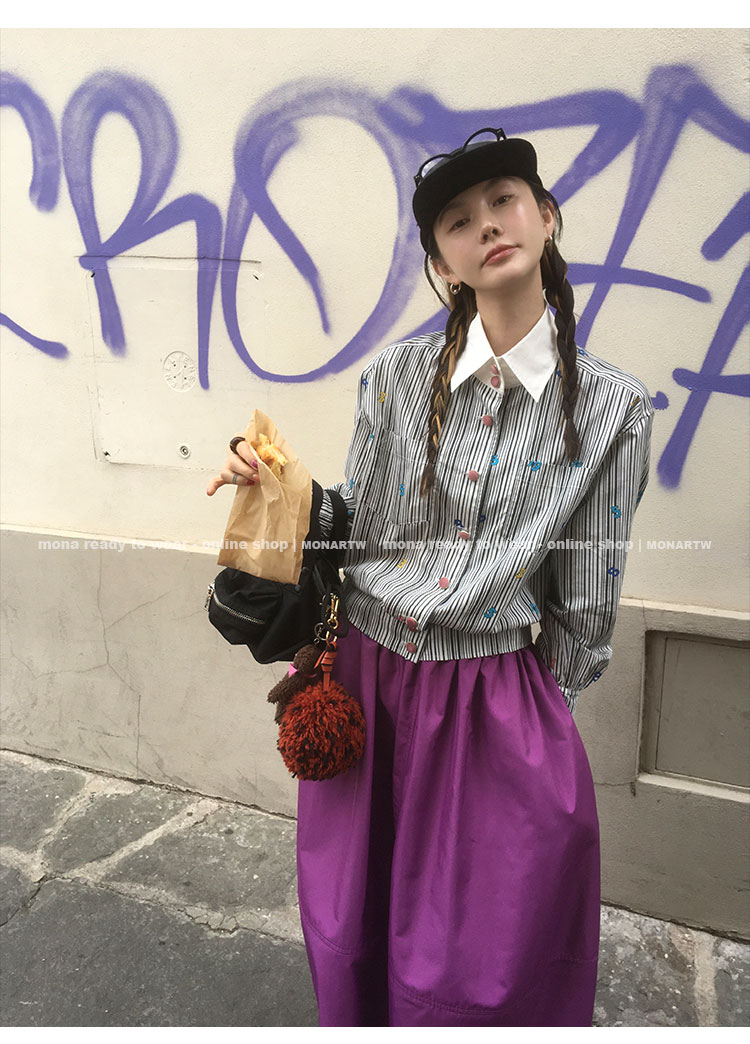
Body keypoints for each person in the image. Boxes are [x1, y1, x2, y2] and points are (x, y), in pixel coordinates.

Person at [206, 128, 654, 1027]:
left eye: (504, 200)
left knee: (481, 954)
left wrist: (527, 718)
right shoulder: (396, 378)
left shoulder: (613, 409)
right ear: (443, 263)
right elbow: (362, 526)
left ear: (546, 216)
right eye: (457, 220)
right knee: (352, 920)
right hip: (365, 683)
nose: (486, 225)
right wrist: (278, 489)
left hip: (493, 704)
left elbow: (585, 610)